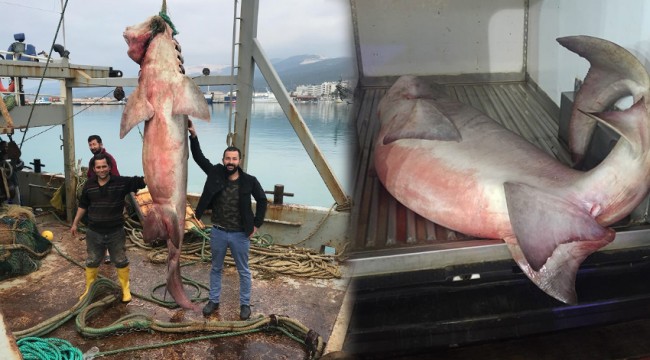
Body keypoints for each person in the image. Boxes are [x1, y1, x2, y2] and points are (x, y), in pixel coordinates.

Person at [188, 120, 267, 320]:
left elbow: (262, 200)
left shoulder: (250, 180)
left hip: (241, 234)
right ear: (223, 160)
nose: (230, 162)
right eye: (227, 158)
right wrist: (194, 135)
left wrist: (256, 224)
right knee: (216, 268)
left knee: (244, 270)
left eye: (234, 158)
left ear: (239, 160)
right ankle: (213, 300)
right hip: (219, 232)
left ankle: (245, 304)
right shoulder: (215, 172)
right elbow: (198, 158)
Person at [70, 153, 146, 303]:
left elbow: (142, 181)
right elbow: (83, 205)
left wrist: (153, 168)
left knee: (120, 260)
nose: (101, 169)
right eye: (98, 167)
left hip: (115, 232)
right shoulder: (89, 184)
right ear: (93, 168)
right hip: (94, 232)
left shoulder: (121, 182)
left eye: (104, 166)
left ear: (110, 167)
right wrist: (75, 223)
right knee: (92, 260)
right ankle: (89, 289)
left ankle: (125, 289)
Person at [86, 135, 120, 264]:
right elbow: (90, 179)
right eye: (90, 145)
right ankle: (101, 250)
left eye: (94, 144)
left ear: (100, 144)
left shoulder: (109, 159)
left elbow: (116, 176)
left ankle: (108, 253)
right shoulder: (92, 161)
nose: (92, 147)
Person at [0, 138, 24, 204]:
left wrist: (14, 167)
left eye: (6, 146)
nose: (5, 148)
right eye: (3, 147)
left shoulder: (13, 155)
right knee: (4, 200)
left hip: (13, 181)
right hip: (2, 183)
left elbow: (21, 164)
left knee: (16, 200)